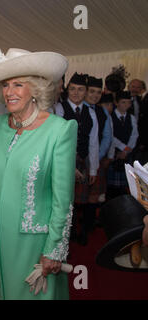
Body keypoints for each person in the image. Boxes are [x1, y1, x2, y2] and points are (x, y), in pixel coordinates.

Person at [0, 48, 76, 300]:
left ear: (36, 89)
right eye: (5, 85)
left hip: (31, 241)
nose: (9, 92)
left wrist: (53, 249)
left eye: (18, 84)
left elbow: (63, 199)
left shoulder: (60, 131)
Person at [55, 73, 99, 245]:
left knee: (79, 201)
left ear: (86, 92)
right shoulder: (59, 108)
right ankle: (65, 236)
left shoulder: (91, 113)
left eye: (80, 90)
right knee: (64, 201)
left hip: (83, 159)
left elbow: (94, 141)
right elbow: (57, 139)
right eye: (72, 89)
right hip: (64, 160)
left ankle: (79, 233)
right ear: (67, 90)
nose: (76, 93)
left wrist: (93, 168)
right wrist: (67, 163)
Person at [81, 76, 113, 241]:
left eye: (98, 92)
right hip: (78, 159)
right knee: (76, 197)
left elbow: (107, 137)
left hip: (95, 158)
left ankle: (87, 226)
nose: (95, 95)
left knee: (93, 197)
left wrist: (96, 157)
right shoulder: (78, 108)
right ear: (85, 91)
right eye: (92, 91)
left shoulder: (102, 112)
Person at [107, 91, 138, 199]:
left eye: (128, 103)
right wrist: (122, 147)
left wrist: (126, 150)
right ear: (116, 103)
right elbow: (110, 135)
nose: (126, 105)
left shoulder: (132, 118)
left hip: (126, 154)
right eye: (123, 102)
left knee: (124, 187)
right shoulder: (110, 116)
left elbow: (134, 135)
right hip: (114, 153)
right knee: (111, 187)